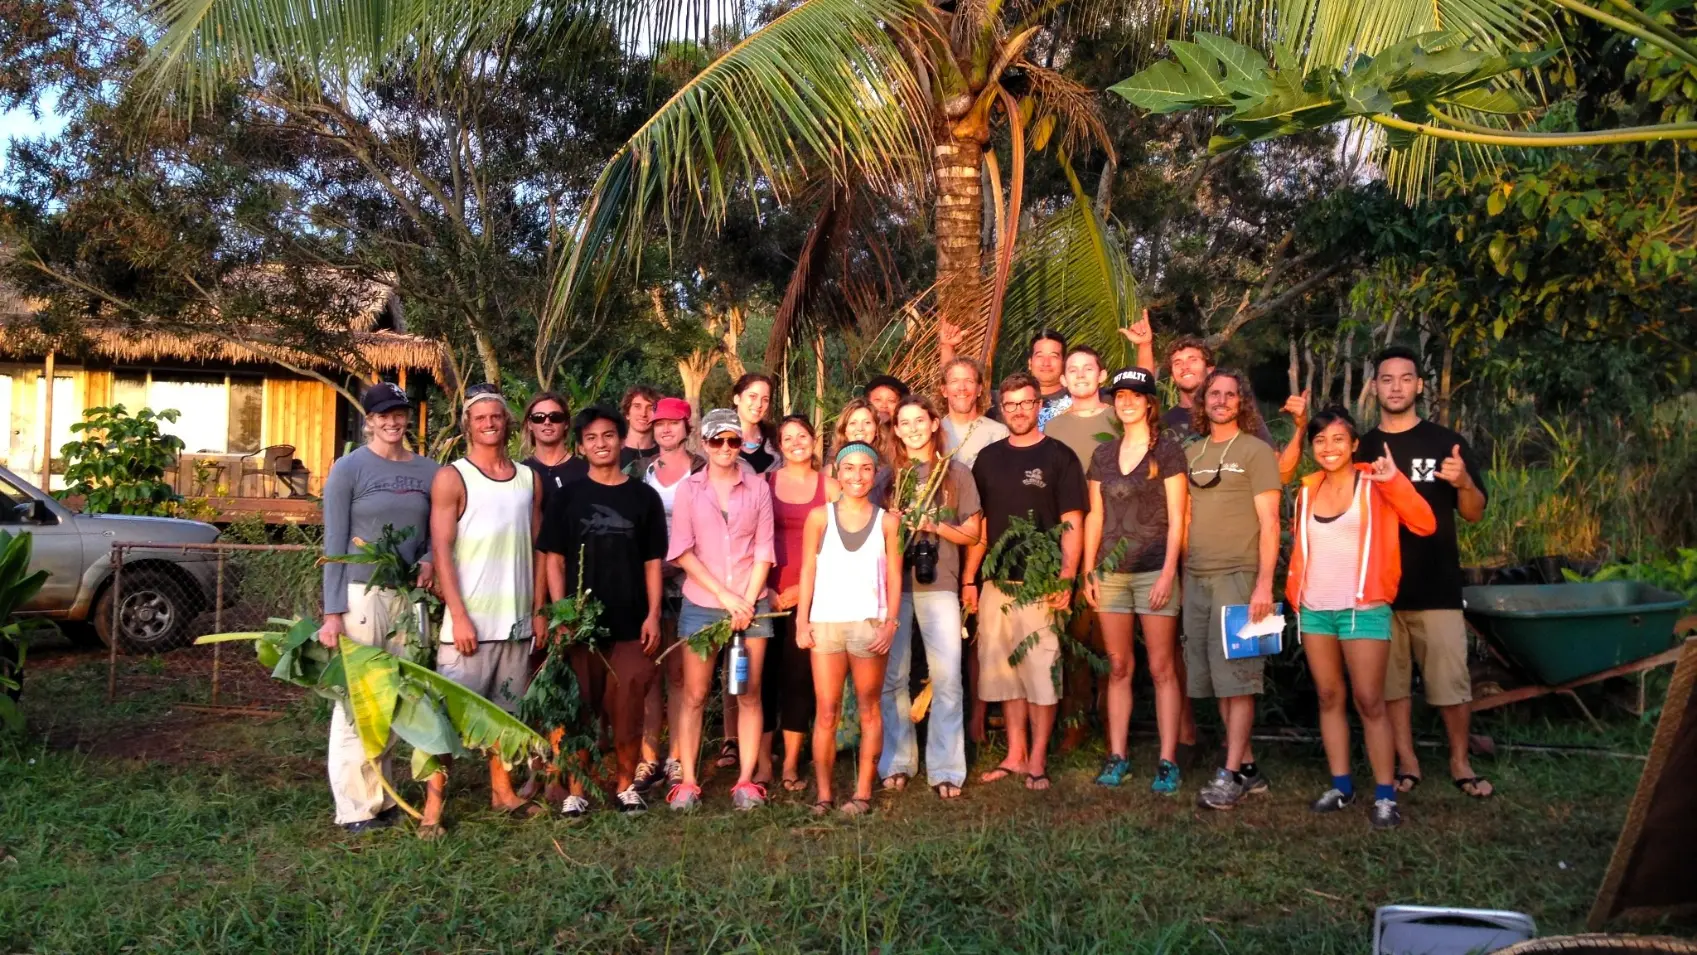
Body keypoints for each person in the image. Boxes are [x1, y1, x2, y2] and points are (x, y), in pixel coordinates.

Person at [1289, 406, 1436, 830]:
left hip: (1364, 608)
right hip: (1316, 609)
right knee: (1329, 697)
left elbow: (1424, 524)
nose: (1329, 448)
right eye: (1320, 440)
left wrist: (1395, 481)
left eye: (1339, 439)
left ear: (1354, 445)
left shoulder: (1373, 484)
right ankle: (1342, 786)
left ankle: (1385, 795)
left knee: (1370, 701)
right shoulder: (1307, 490)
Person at [1357, 347, 1493, 800]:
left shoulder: (1444, 443)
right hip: (1381, 591)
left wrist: (1463, 483)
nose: (1396, 386)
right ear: (1374, 387)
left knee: (1451, 685)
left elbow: (1474, 513)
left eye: (1405, 378)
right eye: (1387, 379)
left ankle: (1459, 761)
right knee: (1391, 687)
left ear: (1419, 386)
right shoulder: (1364, 447)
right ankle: (1408, 762)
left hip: (1435, 586)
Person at [317, 382, 439, 834]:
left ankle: (382, 795)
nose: (392, 421)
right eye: (382, 414)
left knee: (395, 695)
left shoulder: (429, 471)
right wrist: (332, 614)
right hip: (360, 595)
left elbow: (437, 530)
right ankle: (354, 806)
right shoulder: (349, 469)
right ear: (368, 420)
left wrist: (427, 560)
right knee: (358, 699)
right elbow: (333, 543)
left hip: (409, 597)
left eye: (399, 413)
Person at [422, 384, 543, 837]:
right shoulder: (453, 477)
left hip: (513, 623)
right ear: (467, 425)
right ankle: (433, 808)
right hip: (468, 625)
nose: (489, 423)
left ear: (507, 422)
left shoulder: (528, 479)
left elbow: (535, 548)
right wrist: (457, 615)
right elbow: (442, 548)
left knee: (504, 717)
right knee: (444, 721)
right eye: (480, 418)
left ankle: (502, 792)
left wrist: (536, 611)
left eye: (496, 416)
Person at [538, 406, 668, 815]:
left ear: (622, 440)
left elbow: (652, 562)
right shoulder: (567, 497)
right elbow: (554, 559)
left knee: (627, 707)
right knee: (580, 707)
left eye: (609, 436)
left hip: (631, 623)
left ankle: (626, 784)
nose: (601, 444)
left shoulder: (643, 497)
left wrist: (652, 613)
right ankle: (575, 789)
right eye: (591, 438)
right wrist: (564, 612)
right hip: (581, 625)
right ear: (581, 445)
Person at [962, 373, 1087, 792]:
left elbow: (1072, 521)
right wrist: (971, 579)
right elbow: (978, 526)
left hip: (1041, 582)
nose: (1018, 410)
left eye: (1026, 402)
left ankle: (1037, 759)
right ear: (1000, 407)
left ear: (1039, 405)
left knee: (1041, 672)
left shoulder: (1060, 457)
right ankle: (1015, 754)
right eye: (1010, 403)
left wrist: (1066, 576)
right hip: (998, 582)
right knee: (1005, 673)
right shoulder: (988, 458)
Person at [1081, 367, 1189, 794]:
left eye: (1135, 395)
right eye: (1120, 395)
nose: (1126, 401)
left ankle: (1167, 760)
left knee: (1162, 668)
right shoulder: (1103, 456)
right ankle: (1118, 755)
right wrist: (1090, 569)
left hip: (1154, 570)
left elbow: (1179, 518)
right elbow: (1095, 516)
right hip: (1110, 573)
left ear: (1149, 402)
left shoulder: (1169, 451)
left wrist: (1168, 573)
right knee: (1119, 666)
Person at [665, 408, 777, 811]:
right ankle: (689, 781)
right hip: (703, 603)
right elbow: (683, 551)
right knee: (695, 694)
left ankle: (746, 780)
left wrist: (746, 600)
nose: (726, 448)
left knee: (748, 692)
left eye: (733, 440)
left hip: (753, 602)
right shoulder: (689, 490)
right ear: (704, 444)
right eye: (717, 441)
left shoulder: (758, 487)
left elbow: (765, 548)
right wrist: (726, 597)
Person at [1183, 369, 1282, 811]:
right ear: (1202, 402)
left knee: (1239, 679)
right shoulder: (1191, 452)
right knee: (1218, 681)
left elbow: (1271, 522)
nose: (1221, 401)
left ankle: (1228, 774)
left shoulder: (1257, 451)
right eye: (1214, 394)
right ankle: (1246, 768)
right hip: (1197, 578)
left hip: (1239, 578)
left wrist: (1264, 584)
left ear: (1242, 402)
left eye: (1229, 395)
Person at [879, 395, 981, 799]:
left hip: (940, 585)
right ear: (898, 431)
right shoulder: (887, 479)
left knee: (948, 679)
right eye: (905, 423)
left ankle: (946, 767)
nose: (913, 428)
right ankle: (898, 759)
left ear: (935, 423)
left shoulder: (956, 473)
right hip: (895, 588)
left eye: (920, 420)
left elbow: (973, 533)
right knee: (894, 677)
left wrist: (935, 528)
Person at [796, 441, 903, 815]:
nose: (856, 476)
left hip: (868, 624)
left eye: (865, 469)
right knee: (826, 710)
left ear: (875, 474)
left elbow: (894, 575)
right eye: (849, 468)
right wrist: (802, 619)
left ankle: (861, 793)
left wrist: (890, 623)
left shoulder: (888, 522)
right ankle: (824, 795)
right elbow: (808, 569)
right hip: (826, 622)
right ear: (837, 473)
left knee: (869, 707)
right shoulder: (819, 518)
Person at [1041, 345, 1119, 752]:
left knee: (1112, 643)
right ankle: (1075, 723)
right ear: (1064, 381)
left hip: (1116, 545)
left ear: (1101, 375)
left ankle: (1112, 724)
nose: (1081, 374)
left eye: (1089, 367)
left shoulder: (1121, 418)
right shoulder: (1053, 429)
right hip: (1068, 544)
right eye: (1073, 370)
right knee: (1073, 640)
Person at [632, 397, 705, 795]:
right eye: (659, 423)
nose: (665, 429)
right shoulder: (641, 472)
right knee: (648, 673)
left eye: (673, 423)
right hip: (647, 581)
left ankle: (677, 757)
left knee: (678, 671)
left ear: (686, 427)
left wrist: (675, 564)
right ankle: (648, 757)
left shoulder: (702, 470)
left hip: (687, 582)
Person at [761, 415, 837, 792]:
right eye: (787, 438)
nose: (796, 442)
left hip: (811, 597)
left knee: (797, 678)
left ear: (813, 440)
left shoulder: (832, 487)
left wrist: (800, 592)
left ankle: (791, 761)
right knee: (759, 678)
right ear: (777, 445)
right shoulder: (765, 483)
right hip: (763, 594)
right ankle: (762, 761)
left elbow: (841, 549)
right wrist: (766, 588)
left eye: (802, 436)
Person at [1143, 324, 1305, 483]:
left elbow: (1281, 474)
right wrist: (1144, 346)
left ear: (1210, 369)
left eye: (1192, 360)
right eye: (1177, 363)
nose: (1185, 367)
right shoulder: (1164, 423)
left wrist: (1300, 427)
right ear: (1172, 376)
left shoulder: (1237, 414)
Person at [938, 356, 1009, 469]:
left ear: (979, 389)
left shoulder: (999, 433)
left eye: (969, 381)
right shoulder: (933, 433)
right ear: (944, 390)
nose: (962, 387)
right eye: (954, 381)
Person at [521, 392, 587, 510]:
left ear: (566, 423)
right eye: (539, 417)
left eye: (555, 417)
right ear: (529, 424)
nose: (547, 422)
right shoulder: (521, 473)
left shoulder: (587, 471)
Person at [834, 396, 903, 469]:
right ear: (844, 430)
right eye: (853, 423)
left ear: (877, 429)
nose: (860, 428)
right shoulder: (830, 472)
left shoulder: (891, 468)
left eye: (867, 422)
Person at [732, 373, 780, 473]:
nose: (759, 404)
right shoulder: (718, 439)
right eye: (753, 396)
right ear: (737, 399)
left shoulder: (775, 439)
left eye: (765, 400)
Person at [619, 385, 662, 471]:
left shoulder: (664, 455)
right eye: (637, 406)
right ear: (627, 413)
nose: (643, 414)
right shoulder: (612, 454)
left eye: (650, 408)